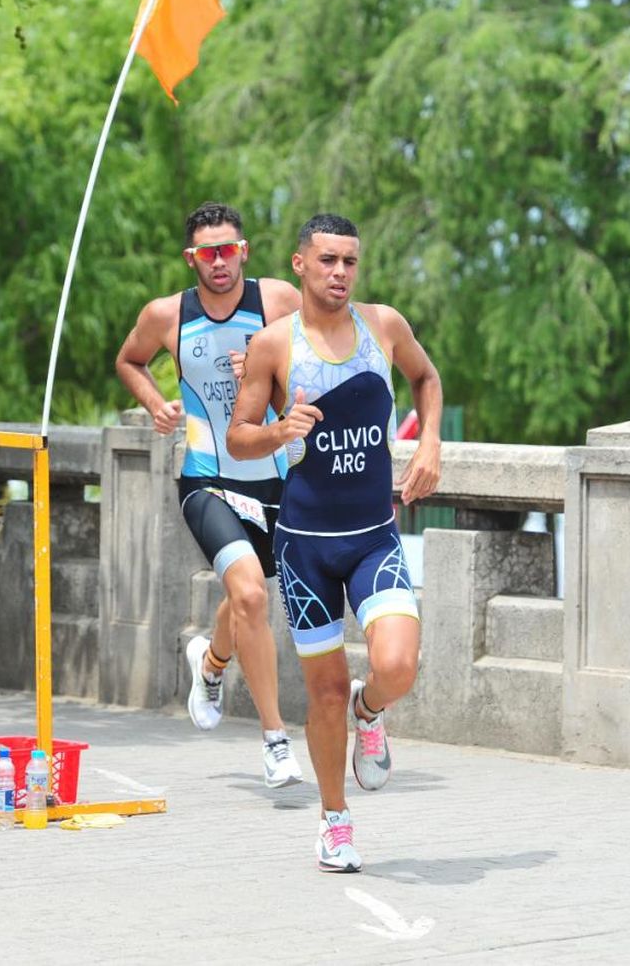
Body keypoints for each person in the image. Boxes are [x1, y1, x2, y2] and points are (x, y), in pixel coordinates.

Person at [226, 213, 442, 872]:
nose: (339, 273)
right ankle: (335, 820)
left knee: (399, 663)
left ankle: (369, 710)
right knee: (321, 695)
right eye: (326, 260)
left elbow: (426, 381)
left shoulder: (385, 326)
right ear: (300, 265)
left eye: (349, 260)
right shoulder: (272, 345)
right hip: (305, 547)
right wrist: (278, 431)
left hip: (374, 536)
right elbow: (239, 436)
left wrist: (430, 441)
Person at [114, 201, 306, 788]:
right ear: (190, 258)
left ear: (244, 250)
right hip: (207, 479)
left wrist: (265, 374)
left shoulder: (280, 302)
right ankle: (276, 740)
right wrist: (157, 405)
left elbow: (309, 380)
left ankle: (211, 662)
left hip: (277, 481)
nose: (218, 262)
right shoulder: (166, 315)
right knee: (250, 596)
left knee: (244, 599)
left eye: (228, 250)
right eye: (206, 253)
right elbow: (129, 361)